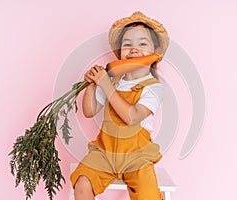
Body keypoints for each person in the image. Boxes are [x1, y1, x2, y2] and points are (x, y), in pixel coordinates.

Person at [70, 11, 169, 200]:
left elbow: (132, 117)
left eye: (142, 44)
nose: (133, 49)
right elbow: (89, 111)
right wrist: (92, 86)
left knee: (148, 194)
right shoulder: (112, 80)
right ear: (120, 52)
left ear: (155, 54)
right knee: (82, 182)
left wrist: (106, 86)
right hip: (104, 154)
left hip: (137, 158)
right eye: (127, 44)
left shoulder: (154, 88)